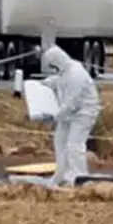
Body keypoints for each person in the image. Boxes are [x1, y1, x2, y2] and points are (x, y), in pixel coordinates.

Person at [36, 45, 102, 186]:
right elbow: (60, 80)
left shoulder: (76, 75)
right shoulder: (66, 70)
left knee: (74, 145)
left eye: (52, 66)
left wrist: (54, 117)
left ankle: (79, 177)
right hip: (69, 114)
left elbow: (71, 104)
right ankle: (62, 174)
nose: (53, 69)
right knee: (59, 141)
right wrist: (43, 84)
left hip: (84, 113)